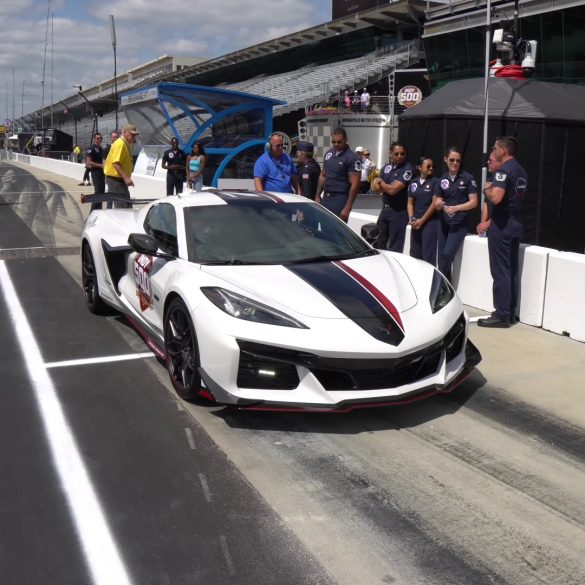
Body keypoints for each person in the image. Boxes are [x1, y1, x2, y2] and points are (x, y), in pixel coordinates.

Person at [478, 136, 528, 328]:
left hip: (502, 225)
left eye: (495, 148)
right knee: (512, 271)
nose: (493, 151)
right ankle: (510, 311)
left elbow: (497, 198)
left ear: (503, 151)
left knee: (500, 271)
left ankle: (502, 314)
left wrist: (487, 189)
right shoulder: (521, 171)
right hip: (516, 223)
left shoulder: (503, 171)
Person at [434, 146, 478, 283]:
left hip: (459, 224)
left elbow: (474, 202)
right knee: (441, 256)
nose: (455, 163)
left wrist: (457, 208)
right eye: (452, 160)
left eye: (458, 161)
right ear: (445, 160)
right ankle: (446, 287)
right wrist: (439, 204)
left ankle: (441, 285)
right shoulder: (441, 180)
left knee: (447, 254)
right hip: (443, 223)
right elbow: (436, 202)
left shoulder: (468, 178)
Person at [371, 142, 414, 252]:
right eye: (396, 154)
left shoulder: (408, 169)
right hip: (385, 210)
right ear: (390, 154)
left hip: (398, 212)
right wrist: (385, 186)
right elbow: (375, 188)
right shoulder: (386, 168)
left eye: (402, 154)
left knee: (395, 246)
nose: (400, 156)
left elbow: (393, 190)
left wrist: (382, 183)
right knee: (379, 242)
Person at [315, 127, 361, 221]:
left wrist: (347, 207)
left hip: (340, 199)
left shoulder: (352, 158)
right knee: (324, 228)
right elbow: (323, 175)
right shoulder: (329, 154)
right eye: (334, 142)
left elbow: (355, 185)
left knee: (336, 232)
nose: (336, 144)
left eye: (339, 142)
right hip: (326, 197)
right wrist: (317, 195)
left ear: (346, 140)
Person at [407, 157, 439, 265]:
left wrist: (422, 220)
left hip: (429, 222)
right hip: (416, 222)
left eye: (432, 166)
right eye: (428, 166)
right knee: (415, 253)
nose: (431, 168)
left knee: (428, 255)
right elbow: (410, 203)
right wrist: (412, 218)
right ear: (419, 167)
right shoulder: (413, 182)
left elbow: (434, 203)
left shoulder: (435, 182)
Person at [104, 123, 140, 208]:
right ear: (124, 132)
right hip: (116, 180)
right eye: (132, 134)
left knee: (126, 204)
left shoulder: (125, 143)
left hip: (119, 180)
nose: (133, 136)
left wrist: (126, 178)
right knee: (123, 206)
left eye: (135, 135)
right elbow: (116, 163)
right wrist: (126, 178)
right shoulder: (120, 144)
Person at [476, 152, 502, 237]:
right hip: (491, 228)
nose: (487, 162)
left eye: (490, 160)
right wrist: (482, 224)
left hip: (501, 228)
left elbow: (504, 209)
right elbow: (486, 203)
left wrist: (488, 223)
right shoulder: (489, 180)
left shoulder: (502, 182)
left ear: (499, 162)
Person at [85, 132, 105, 211]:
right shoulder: (91, 148)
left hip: (102, 173)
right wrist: (101, 166)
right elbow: (88, 162)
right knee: (98, 193)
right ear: (94, 139)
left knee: (101, 193)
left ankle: (98, 210)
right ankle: (92, 211)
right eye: (98, 138)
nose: (100, 139)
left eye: (101, 138)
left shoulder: (101, 148)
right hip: (96, 173)